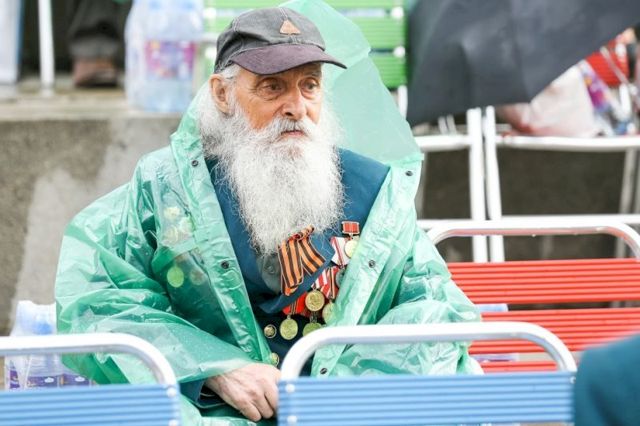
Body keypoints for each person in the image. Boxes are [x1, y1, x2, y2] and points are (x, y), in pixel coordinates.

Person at [55, 3, 479, 425]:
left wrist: (341, 395)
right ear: (222, 94)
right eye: (272, 87)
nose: (296, 107)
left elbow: (434, 308)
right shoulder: (167, 189)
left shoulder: (374, 190)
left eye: (309, 85)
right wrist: (215, 368)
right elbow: (98, 303)